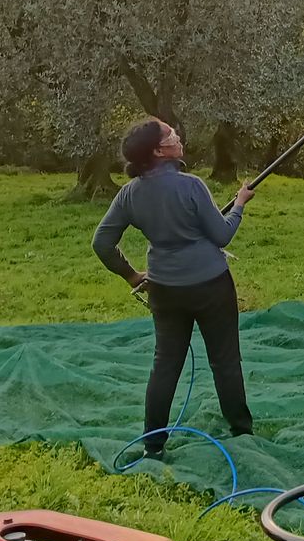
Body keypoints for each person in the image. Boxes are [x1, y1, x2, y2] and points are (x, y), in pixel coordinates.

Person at [93, 117, 256, 457]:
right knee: (224, 360)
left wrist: (132, 275)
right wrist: (239, 204)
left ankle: (153, 444)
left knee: (165, 364)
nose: (177, 136)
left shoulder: (129, 195)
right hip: (211, 285)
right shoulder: (192, 186)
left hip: (164, 289)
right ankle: (241, 431)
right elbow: (222, 235)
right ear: (159, 150)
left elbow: (102, 243)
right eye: (171, 135)